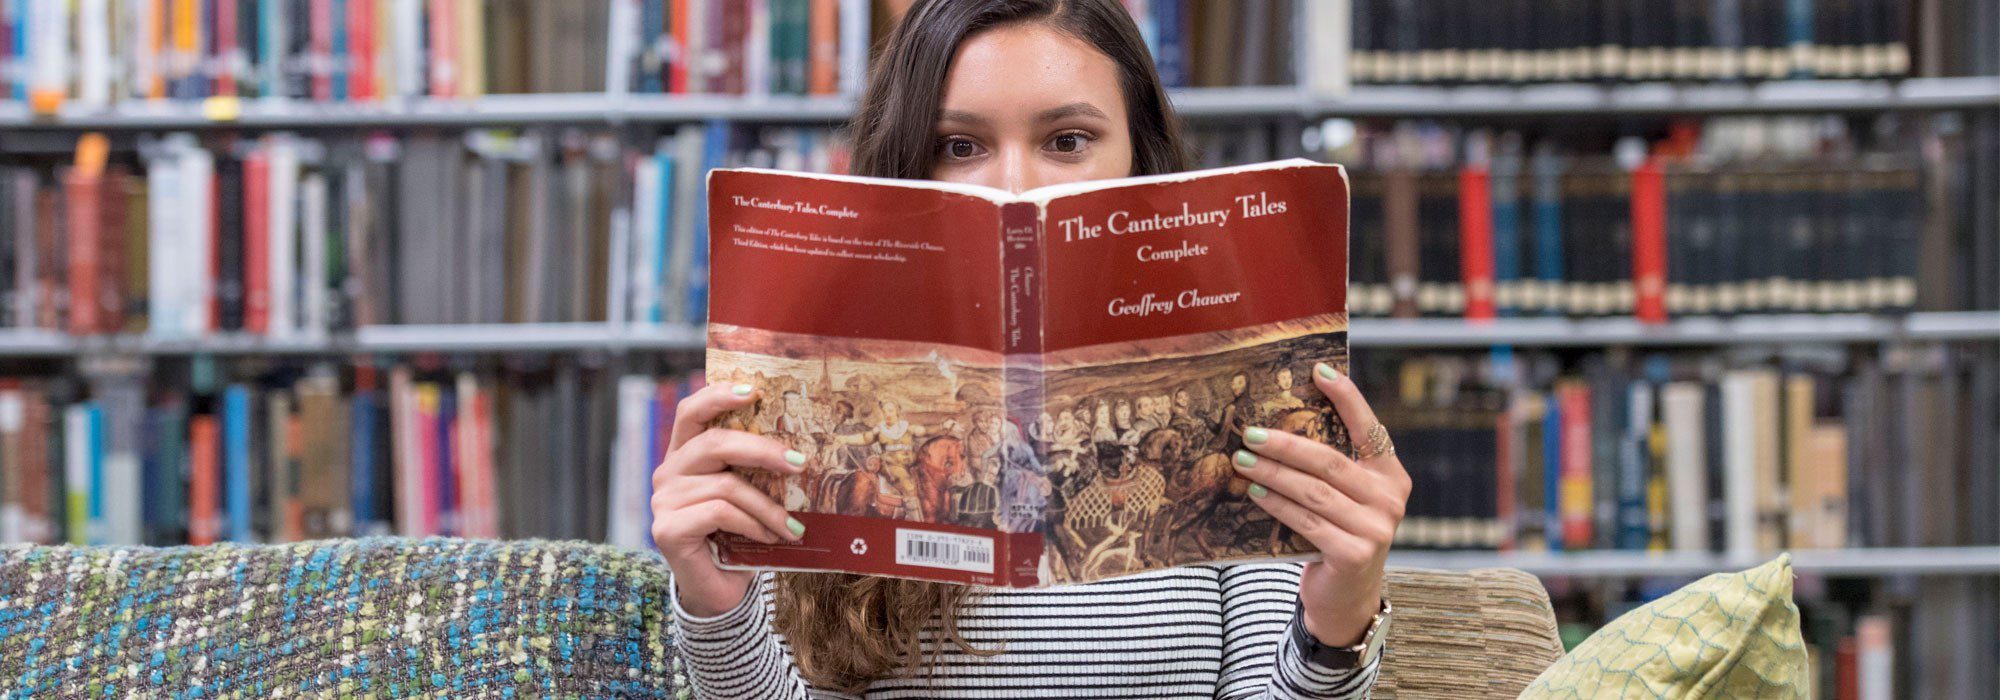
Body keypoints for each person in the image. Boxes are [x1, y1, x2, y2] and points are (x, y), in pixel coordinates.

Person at [650, 1, 1412, 696]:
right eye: (959, 144)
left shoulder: (1238, 407)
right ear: (905, 164)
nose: (1012, 187)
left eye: (1067, 140)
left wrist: (1337, 620)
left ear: (1139, 157)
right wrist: (716, 606)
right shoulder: (810, 412)